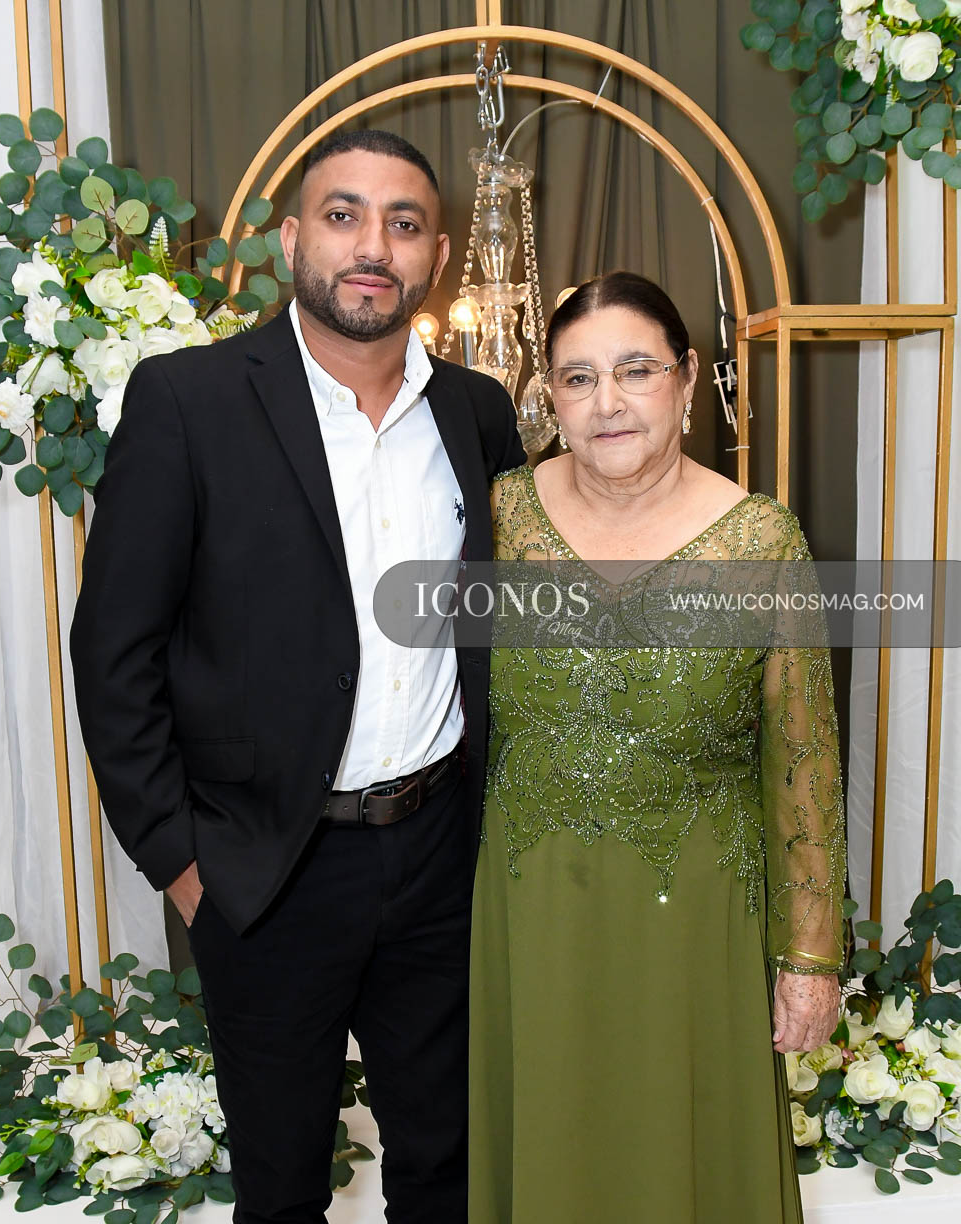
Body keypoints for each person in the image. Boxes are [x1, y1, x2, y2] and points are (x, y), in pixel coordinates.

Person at [71, 129, 525, 1224]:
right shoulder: (187, 401)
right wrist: (182, 862)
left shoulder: (476, 413)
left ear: (437, 256)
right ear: (290, 240)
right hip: (265, 864)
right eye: (342, 214)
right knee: (279, 1186)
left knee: (448, 1165)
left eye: (403, 224)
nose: (373, 246)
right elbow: (114, 650)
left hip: (440, 854)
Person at [468, 272, 847, 1223]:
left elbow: (803, 762)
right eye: (578, 378)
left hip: (696, 923)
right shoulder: (497, 518)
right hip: (526, 912)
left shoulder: (761, 540)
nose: (608, 403)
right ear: (551, 398)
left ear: (685, 379)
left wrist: (810, 957)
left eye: (635, 370)